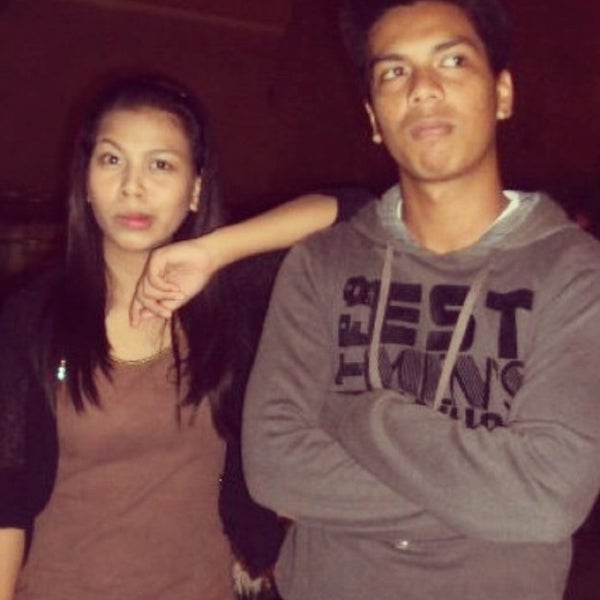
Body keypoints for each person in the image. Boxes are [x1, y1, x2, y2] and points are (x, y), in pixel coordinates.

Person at [242, 1, 600, 599]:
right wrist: (488, 500)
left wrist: (354, 414)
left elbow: (548, 499)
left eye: (452, 61)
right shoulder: (321, 265)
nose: (423, 88)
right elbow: (273, 468)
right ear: (373, 117)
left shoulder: (575, 273)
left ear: (502, 93)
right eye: (394, 72)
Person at [0, 72, 366, 599]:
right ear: (85, 181)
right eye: (112, 159)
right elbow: (7, 496)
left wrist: (214, 251)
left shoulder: (229, 302)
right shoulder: (30, 317)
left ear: (195, 189)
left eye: (161, 165)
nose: (133, 186)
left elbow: (355, 213)